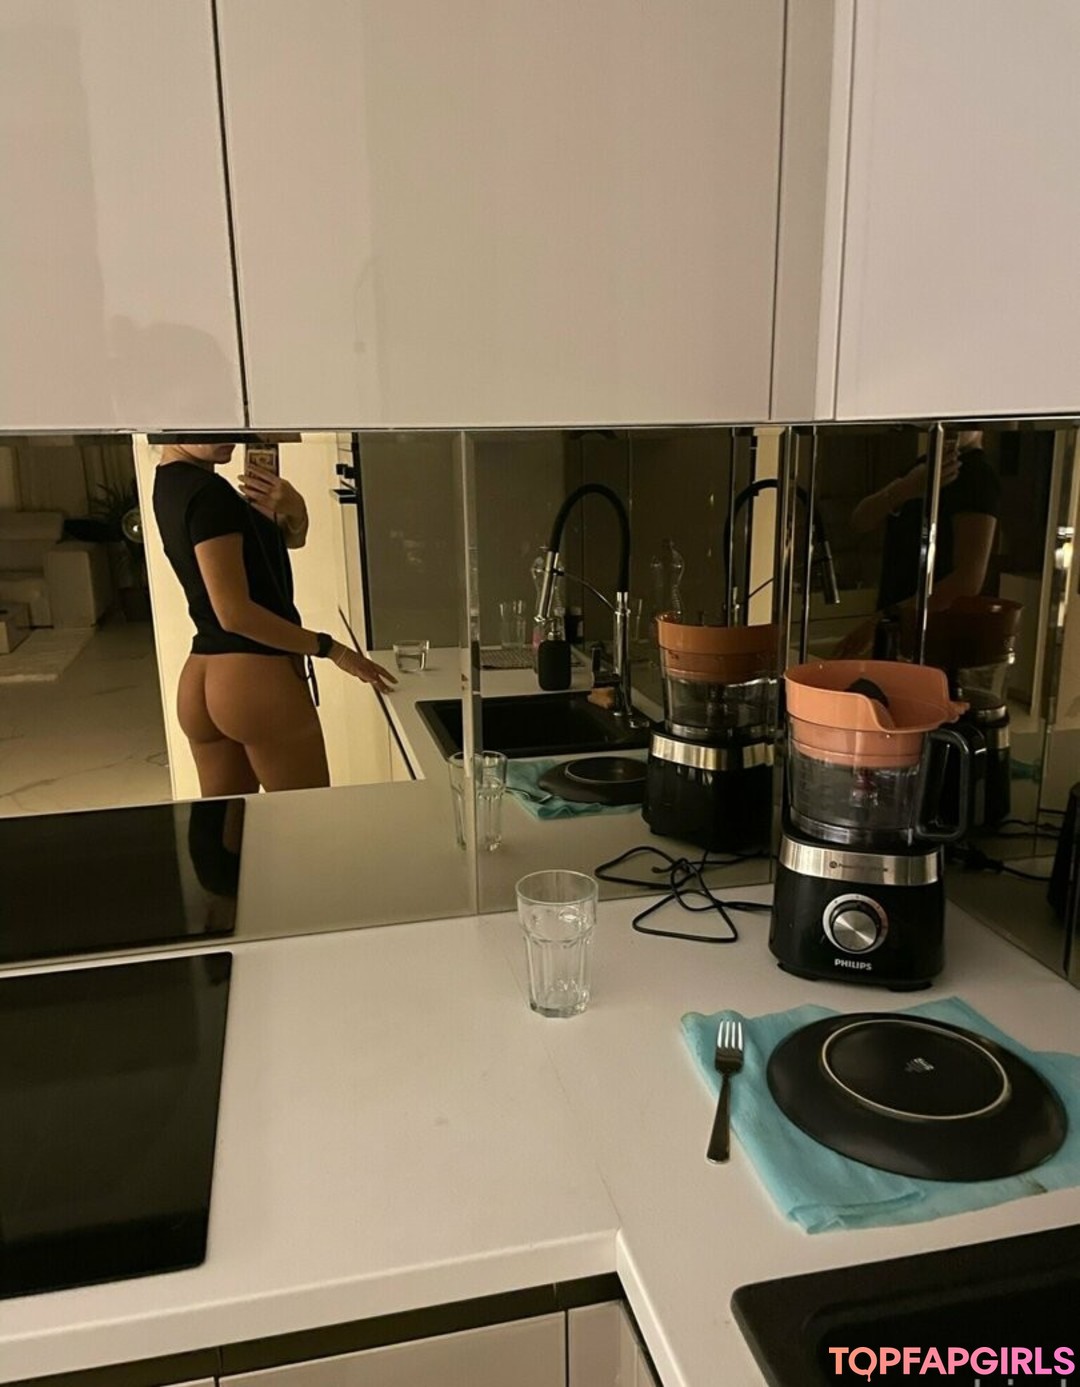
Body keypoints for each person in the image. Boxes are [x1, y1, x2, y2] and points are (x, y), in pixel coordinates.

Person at [152, 436, 395, 797]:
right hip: (253, 679)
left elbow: (269, 552)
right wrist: (332, 649)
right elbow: (234, 614)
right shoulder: (210, 493)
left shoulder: (169, 482)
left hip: (201, 679)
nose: (227, 436)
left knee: (227, 826)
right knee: (307, 819)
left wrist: (295, 510)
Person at [833, 431, 1000, 659]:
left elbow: (966, 581)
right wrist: (906, 488)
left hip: (936, 639)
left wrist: (885, 619)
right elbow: (859, 520)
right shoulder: (923, 470)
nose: (952, 426)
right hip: (901, 634)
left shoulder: (976, 476)